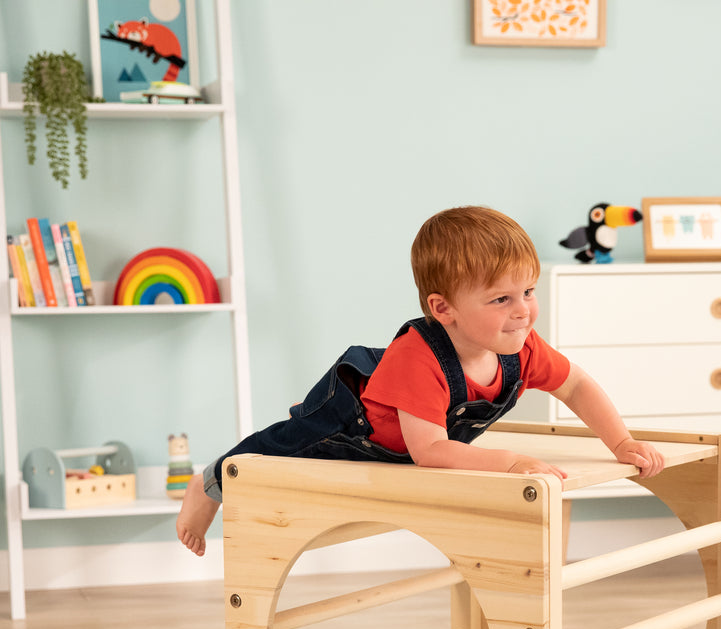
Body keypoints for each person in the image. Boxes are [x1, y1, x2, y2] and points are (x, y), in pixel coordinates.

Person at [177, 206, 664, 556]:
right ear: (443, 308)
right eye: (501, 300)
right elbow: (430, 452)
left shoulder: (521, 346)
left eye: (528, 291)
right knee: (273, 450)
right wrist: (511, 462)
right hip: (354, 425)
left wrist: (620, 441)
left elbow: (577, 386)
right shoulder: (418, 357)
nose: (523, 312)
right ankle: (208, 485)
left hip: (416, 436)